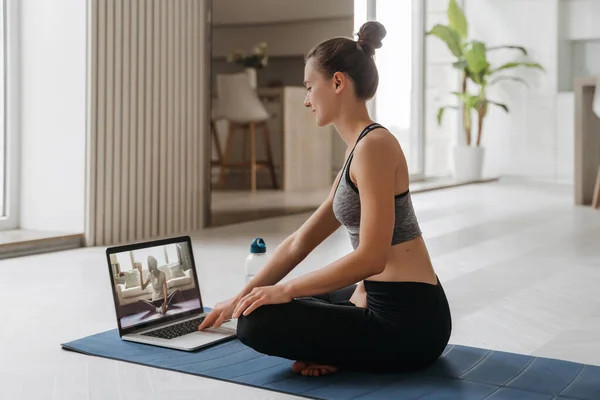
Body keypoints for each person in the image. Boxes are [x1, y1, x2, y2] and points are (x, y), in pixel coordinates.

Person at [199, 21, 452, 377]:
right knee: (259, 305)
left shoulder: (375, 147)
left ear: (337, 83)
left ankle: (343, 351)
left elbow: (372, 257)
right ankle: (338, 347)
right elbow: (300, 241)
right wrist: (241, 297)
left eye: (309, 87)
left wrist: (284, 290)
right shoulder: (358, 149)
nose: (306, 100)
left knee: (257, 323)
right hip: (379, 298)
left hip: (409, 322)